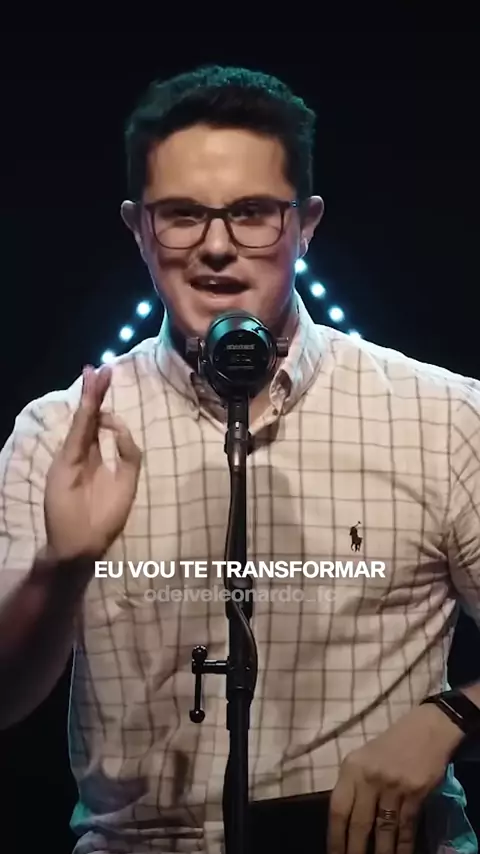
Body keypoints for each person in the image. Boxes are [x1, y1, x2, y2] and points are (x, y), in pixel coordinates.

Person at [0, 64, 479, 854]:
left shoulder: (445, 417)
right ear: (138, 229)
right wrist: (62, 566)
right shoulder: (59, 435)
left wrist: (452, 716)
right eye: (182, 215)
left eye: (252, 213)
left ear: (306, 224)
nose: (217, 247)